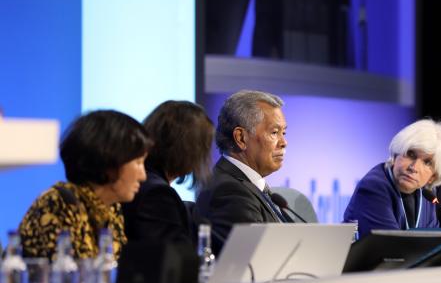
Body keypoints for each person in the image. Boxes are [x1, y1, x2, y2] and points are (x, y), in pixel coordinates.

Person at [19, 110, 152, 259]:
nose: (143, 176)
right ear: (109, 162)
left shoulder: (111, 208)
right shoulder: (58, 204)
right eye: (138, 163)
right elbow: (59, 278)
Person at [195, 90, 289, 251]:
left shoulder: (249, 187)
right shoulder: (229, 191)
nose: (284, 142)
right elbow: (259, 258)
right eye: (274, 132)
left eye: (284, 132)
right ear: (241, 138)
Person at [122, 100, 215, 247]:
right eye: (203, 146)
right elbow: (171, 260)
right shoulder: (157, 194)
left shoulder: (148, 185)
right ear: (188, 149)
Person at [343, 119, 441, 240]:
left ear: (433, 177)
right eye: (411, 154)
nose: (414, 168)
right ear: (396, 155)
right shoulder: (373, 187)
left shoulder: (428, 194)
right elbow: (393, 246)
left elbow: (432, 243)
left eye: (427, 162)